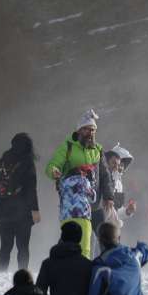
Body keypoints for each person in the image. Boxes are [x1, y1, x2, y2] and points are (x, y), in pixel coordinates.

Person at [46, 110, 103, 258]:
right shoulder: (68, 146)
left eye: (93, 130)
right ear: (79, 130)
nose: (90, 133)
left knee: (86, 233)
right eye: (87, 129)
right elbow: (52, 165)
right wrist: (54, 171)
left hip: (88, 198)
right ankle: (60, 261)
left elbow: (104, 174)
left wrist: (107, 195)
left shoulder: (97, 150)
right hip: (69, 198)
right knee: (71, 231)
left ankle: (79, 262)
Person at [0, 132, 40, 272]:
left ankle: (0, 274)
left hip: (2, 211)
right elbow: (31, 188)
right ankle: (22, 274)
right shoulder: (27, 162)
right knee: (23, 247)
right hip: (22, 212)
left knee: (5, 246)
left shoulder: (4, 159)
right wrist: (35, 210)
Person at [98, 144, 137, 233]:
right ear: (108, 162)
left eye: (122, 165)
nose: (119, 167)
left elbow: (115, 211)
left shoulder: (119, 184)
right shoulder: (100, 177)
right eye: (115, 163)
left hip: (112, 229)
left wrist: (127, 211)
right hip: (98, 225)